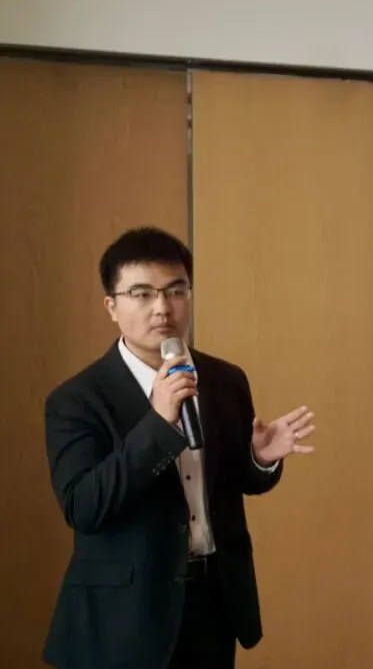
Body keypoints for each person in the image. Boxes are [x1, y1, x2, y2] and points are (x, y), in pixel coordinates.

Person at [41, 226, 315, 669]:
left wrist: (260, 458)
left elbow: (234, 484)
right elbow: (84, 507)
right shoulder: (77, 399)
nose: (162, 308)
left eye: (175, 290)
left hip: (212, 602)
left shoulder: (225, 379)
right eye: (142, 294)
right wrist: (158, 422)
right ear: (112, 306)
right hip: (123, 619)